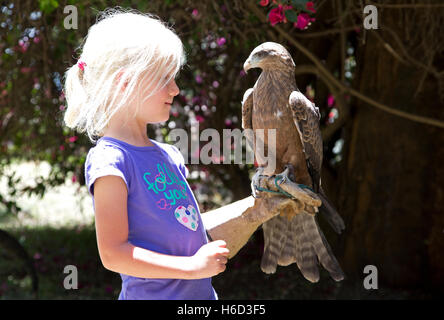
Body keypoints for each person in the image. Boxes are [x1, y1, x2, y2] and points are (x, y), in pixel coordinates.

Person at [62, 7, 287, 300]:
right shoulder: (111, 161)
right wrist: (192, 268)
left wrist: (262, 204)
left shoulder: (168, 155)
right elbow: (113, 253)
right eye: (165, 78)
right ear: (125, 82)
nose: (176, 89)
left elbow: (189, 230)